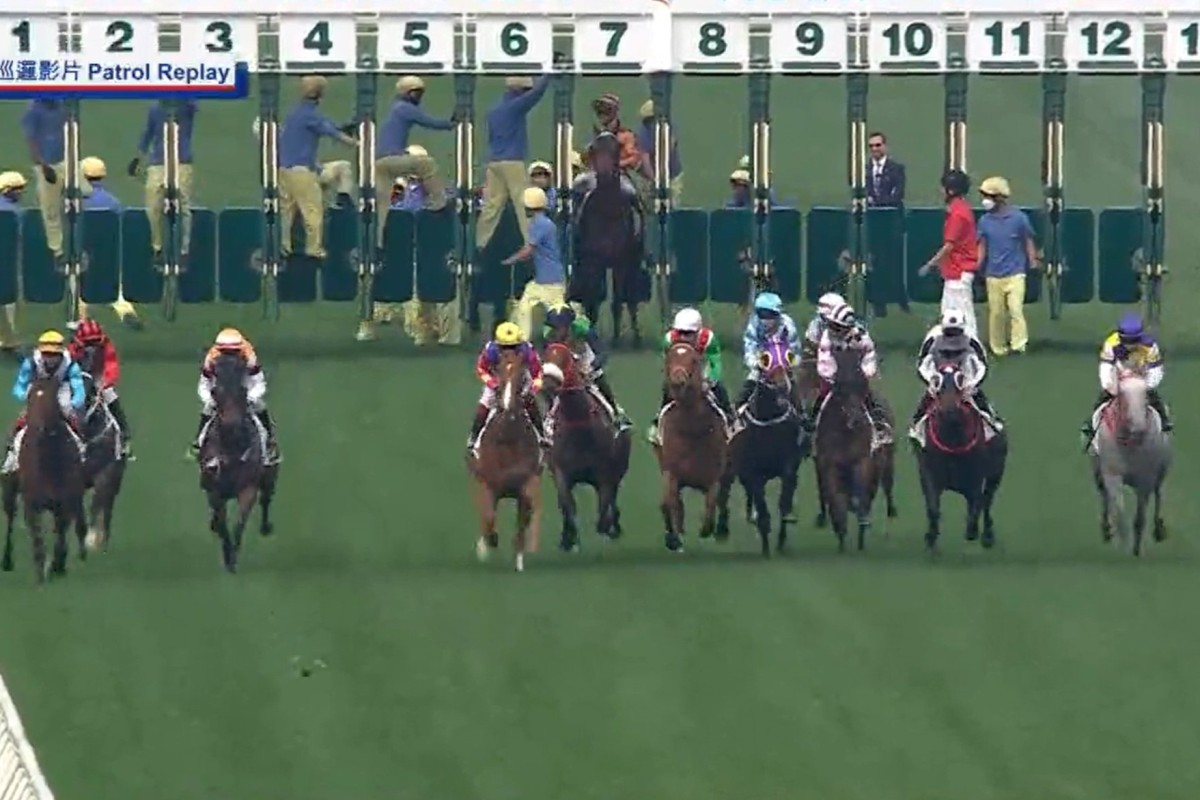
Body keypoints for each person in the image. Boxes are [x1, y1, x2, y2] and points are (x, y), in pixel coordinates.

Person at [276, 76, 357, 263]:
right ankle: (314, 249)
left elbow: (329, 126)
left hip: (284, 170)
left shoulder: (294, 114)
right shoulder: (312, 115)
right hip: (302, 171)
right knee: (313, 209)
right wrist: (357, 143)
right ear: (320, 96)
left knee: (287, 210)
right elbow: (333, 132)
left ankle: (284, 246)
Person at [476, 75, 553, 251]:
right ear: (519, 90)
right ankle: (531, 243)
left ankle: (480, 244)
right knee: (523, 203)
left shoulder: (494, 110)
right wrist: (549, 74)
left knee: (491, 206)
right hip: (512, 161)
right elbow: (536, 94)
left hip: (494, 161)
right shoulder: (515, 106)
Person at [191, 328, 279, 464]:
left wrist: (251, 397)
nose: (229, 355)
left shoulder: (250, 356)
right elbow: (204, 383)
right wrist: (209, 399)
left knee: (260, 405)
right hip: (219, 388)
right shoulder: (211, 358)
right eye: (225, 352)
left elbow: (258, 382)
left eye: (233, 351)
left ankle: (268, 445)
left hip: (245, 387)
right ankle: (198, 443)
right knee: (207, 409)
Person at [648, 307, 735, 444]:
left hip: (702, 368)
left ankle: (730, 419)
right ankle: (658, 421)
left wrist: (710, 380)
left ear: (698, 332)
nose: (683, 337)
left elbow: (715, 363)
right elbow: (666, 360)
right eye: (681, 332)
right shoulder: (669, 339)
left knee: (720, 388)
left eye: (688, 334)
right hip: (681, 368)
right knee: (666, 389)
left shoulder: (708, 339)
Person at [1081, 312, 1171, 444]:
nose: (1130, 345)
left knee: (1155, 399)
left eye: (1133, 341)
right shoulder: (1111, 343)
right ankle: (1091, 427)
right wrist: (1109, 385)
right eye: (1127, 341)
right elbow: (1106, 366)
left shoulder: (1150, 346)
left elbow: (1156, 370)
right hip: (1118, 376)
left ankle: (1164, 423)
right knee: (1102, 398)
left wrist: (1148, 385)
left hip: (1142, 377)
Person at [22, 98, 93, 264]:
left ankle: (80, 243)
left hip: (68, 161)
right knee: (50, 209)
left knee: (86, 194)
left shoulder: (63, 107)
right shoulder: (33, 111)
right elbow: (31, 141)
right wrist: (42, 165)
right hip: (47, 165)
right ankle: (58, 251)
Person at [3, 330, 86, 472]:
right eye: (46, 354)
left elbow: (78, 388)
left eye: (54, 355)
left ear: (61, 353)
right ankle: (10, 454)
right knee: (26, 415)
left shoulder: (71, 365)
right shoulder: (30, 363)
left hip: (61, 388)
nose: (50, 358)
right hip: (38, 387)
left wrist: (74, 403)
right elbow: (20, 385)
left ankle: (80, 447)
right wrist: (27, 397)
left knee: (67, 409)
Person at [129, 99, 197, 266]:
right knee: (152, 205)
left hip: (182, 160)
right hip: (158, 161)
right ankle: (158, 247)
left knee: (184, 205)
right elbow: (148, 133)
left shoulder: (186, 104)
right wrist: (138, 158)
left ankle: (184, 250)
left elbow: (193, 104)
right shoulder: (154, 107)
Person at [542, 305, 631, 430]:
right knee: (549, 389)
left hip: (585, 359)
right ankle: (549, 419)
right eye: (555, 327)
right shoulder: (548, 335)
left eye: (561, 327)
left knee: (600, 382)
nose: (558, 331)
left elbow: (601, 352)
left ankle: (615, 412)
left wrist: (592, 367)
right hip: (564, 363)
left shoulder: (583, 328)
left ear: (570, 325)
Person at [978, 176, 1038, 356]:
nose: (985, 200)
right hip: (993, 274)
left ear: (1000, 197)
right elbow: (981, 245)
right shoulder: (984, 221)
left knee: (1015, 310)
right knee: (996, 313)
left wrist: (1033, 261)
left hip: (1015, 273)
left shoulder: (1019, 218)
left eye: (989, 196)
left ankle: (1019, 344)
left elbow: (1028, 241)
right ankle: (998, 346)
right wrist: (977, 265)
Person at [468, 321, 547, 450]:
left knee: (531, 403)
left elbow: (538, 372)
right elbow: (481, 369)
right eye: (504, 347)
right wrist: (493, 384)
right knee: (484, 404)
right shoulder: (490, 350)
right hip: (496, 378)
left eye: (513, 346)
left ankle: (541, 434)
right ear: (498, 344)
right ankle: (474, 436)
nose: (508, 351)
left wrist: (533, 389)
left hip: (522, 378)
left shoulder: (527, 350)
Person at [919, 169, 978, 337]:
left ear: (951, 190)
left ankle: (971, 344)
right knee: (950, 311)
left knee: (962, 313)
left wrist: (930, 265)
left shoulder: (957, 214)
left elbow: (949, 246)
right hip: (955, 270)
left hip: (958, 270)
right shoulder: (961, 209)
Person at [814, 303, 890, 434]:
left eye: (837, 326)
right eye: (832, 324)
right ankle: (812, 428)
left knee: (870, 401)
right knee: (821, 401)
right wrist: (828, 373)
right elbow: (824, 355)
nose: (833, 329)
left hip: (857, 381)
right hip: (836, 382)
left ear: (847, 327)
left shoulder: (861, 336)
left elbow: (869, 352)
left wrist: (867, 369)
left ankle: (879, 429)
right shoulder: (827, 336)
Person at [505, 187, 566, 341]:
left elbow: (528, 250)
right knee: (527, 305)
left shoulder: (539, 224)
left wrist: (509, 260)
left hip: (548, 281)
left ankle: (524, 341)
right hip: (550, 278)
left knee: (551, 313)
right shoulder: (545, 222)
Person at [912, 322, 999, 431]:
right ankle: (917, 425)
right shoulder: (933, 337)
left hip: (965, 378)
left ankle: (991, 420)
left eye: (956, 331)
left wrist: (972, 384)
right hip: (939, 378)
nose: (953, 336)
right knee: (927, 398)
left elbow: (981, 364)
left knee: (978, 397)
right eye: (949, 331)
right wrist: (931, 381)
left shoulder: (970, 337)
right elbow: (922, 363)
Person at [68, 319, 133, 458]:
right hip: (79, 377)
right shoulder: (72, 348)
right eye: (89, 343)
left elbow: (111, 365)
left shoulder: (106, 345)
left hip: (98, 375)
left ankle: (124, 435)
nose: (92, 346)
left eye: (95, 342)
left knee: (110, 396)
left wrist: (105, 383)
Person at [737, 291, 801, 411]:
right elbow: (750, 347)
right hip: (762, 367)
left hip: (784, 367)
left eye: (770, 314)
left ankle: (801, 415)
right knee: (750, 381)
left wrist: (790, 362)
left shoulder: (788, 325)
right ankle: (737, 412)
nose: (766, 318)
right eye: (762, 314)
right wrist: (756, 363)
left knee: (793, 385)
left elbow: (795, 348)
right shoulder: (754, 324)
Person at [635, 100, 683, 205]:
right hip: (648, 177)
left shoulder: (669, 127)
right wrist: (654, 180)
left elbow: (670, 146)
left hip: (671, 174)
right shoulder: (644, 131)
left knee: (672, 205)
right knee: (648, 206)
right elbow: (645, 159)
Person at [801, 292, 848, 360]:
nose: (825, 319)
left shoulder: (853, 328)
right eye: (823, 315)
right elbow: (810, 347)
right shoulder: (815, 324)